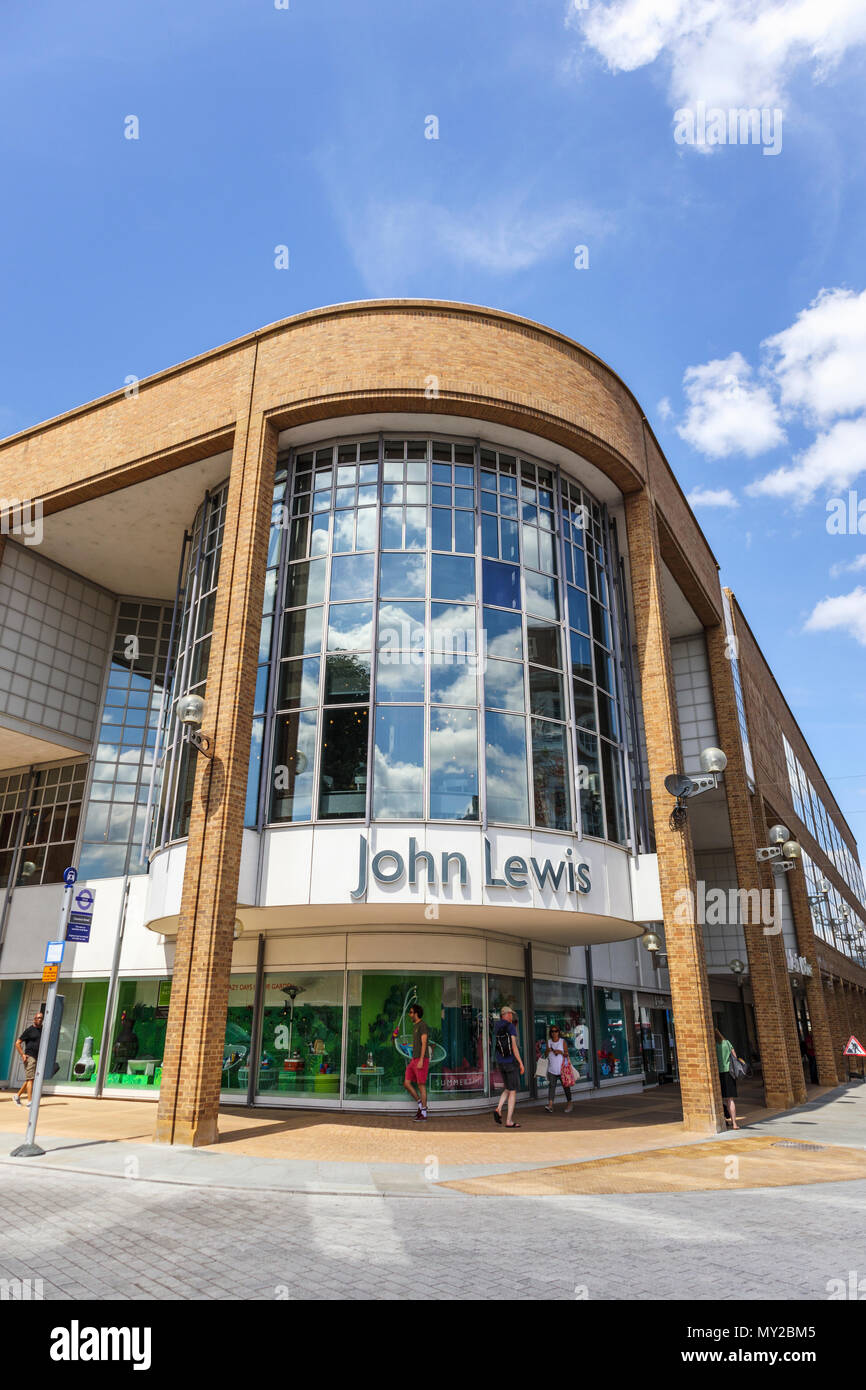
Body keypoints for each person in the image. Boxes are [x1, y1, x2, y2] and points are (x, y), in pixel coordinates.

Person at [493, 1005, 524, 1128]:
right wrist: (521, 1063)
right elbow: (514, 1047)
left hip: (501, 1062)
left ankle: (498, 1108)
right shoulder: (510, 1027)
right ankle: (509, 1121)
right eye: (510, 1014)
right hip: (510, 1062)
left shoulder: (496, 1026)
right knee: (513, 1091)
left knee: (508, 1087)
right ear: (505, 1014)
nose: (512, 1016)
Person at [403, 1003, 430, 1121]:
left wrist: (421, 1060)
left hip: (421, 1060)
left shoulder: (422, 1025)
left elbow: (424, 1043)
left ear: (416, 1013)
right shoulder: (415, 1026)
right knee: (406, 1083)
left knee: (421, 1085)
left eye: (411, 1012)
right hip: (414, 1059)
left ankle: (424, 1113)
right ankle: (420, 1105)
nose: (410, 1014)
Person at [14, 1012, 44, 1107]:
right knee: (30, 1079)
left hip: (37, 1057)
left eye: (41, 1018)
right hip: (29, 1057)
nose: (40, 1019)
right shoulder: (29, 1030)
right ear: (34, 1019)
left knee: (30, 1079)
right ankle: (30, 1102)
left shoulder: (43, 1030)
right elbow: (17, 1043)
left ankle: (17, 1096)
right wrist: (22, 1054)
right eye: (38, 1018)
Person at [715, 1027, 742, 1129]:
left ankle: (725, 1119)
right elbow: (734, 1056)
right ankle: (734, 1123)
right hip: (730, 1073)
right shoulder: (727, 1043)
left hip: (719, 1073)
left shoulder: (714, 1045)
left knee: (718, 1098)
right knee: (730, 1099)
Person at [543, 1023, 573, 1114]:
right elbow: (545, 1055)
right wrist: (548, 1051)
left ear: (558, 1032)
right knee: (552, 1087)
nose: (554, 1033)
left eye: (556, 1031)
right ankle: (550, 1105)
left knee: (566, 1087)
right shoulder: (548, 1042)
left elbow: (567, 1054)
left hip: (562, 1069)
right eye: (552, 1031)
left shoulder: (562, 1041)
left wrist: (560, 1052)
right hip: (552, 1069)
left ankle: (569, 1103)